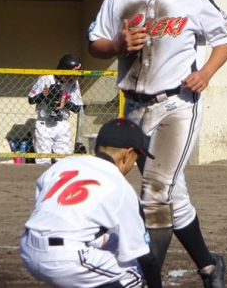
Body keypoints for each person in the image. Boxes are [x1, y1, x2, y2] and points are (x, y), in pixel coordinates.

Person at [88, 0, 227, 288]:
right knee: (174, 195)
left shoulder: (193, 0)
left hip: (177, 105)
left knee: (155, 192)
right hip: (135, 109)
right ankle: (209, 267)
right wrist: (118, 45)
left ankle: (146, 280)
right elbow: (95, 45)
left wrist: (206, 73)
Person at [20, 118, 162, 288]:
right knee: (135, 275)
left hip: (27, 248)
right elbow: (146, 257)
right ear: (127, 154)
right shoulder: (121, 186)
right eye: (136, 157)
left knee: (109, 240)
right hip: (66, 260)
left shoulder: (63, 165)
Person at [28, 54, 84, 165]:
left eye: (76, 76)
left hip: (62, 123)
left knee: (64, 160)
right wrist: (44, 95)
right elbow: (31, 99)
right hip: (44, 122)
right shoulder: (46, 78)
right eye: (72, 75)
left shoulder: (74, 83)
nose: (74, 79)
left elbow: (78, 108)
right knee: (43, 160)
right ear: (62, 71)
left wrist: (65, 102)